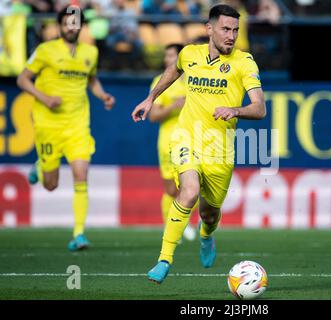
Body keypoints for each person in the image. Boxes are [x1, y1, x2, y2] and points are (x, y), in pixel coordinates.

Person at [131, 4, 266, 284]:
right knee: (189, 191)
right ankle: (164, 259)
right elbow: (174, 68)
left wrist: (236, 110)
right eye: (226, 29)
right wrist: (151, 98)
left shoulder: (244, 62)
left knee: (209, 212)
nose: (231, 35)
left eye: (235, 30)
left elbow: (260, 108)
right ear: (210, 29)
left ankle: (207, 236)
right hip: (186, 138)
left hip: (220, 149)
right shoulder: (190, 54)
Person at [16, 5, 116, 251]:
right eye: (67, 23)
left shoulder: (90, 52)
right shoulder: (45, 50)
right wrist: (44, 98)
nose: (72, 27)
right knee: (50, 185)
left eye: (76, 23)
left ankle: (79, 234)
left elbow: (91, 78)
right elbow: (22, 79)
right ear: (60, 26)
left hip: (77, 124)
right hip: (48, 123)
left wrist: (102, 95)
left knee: (81, 175)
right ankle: (41, 163)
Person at [148, 43, 196, 242]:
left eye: (172, 56)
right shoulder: (160, 82)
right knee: (171, 190)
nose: (168, 59)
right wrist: (173, 107)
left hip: (193, 141)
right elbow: (153, 116)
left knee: (192, 187)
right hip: (168, 142)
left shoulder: (196, 80)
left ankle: (182, 224)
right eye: (166, 55)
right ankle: (171, 227)